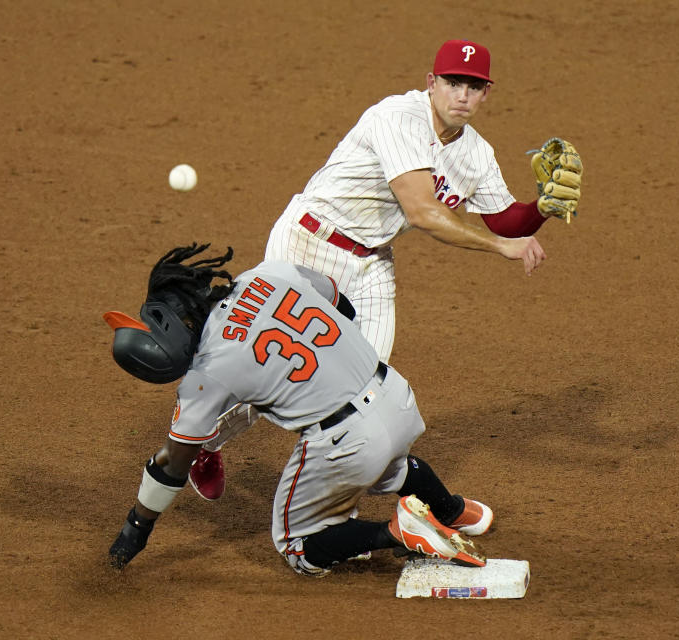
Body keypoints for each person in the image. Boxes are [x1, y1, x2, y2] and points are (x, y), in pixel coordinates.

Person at [188, 38, 583, 499]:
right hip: (308, 243)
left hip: (372, 262)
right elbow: (423, 213)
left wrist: (543, 208)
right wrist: (502, 247)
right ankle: (203, 441)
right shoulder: (397, 117)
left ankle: (325, 498)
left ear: (487, 93)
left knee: (364, 388)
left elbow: (506, 219)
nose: (462, 96)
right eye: (454, 83)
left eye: (474, 87)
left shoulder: (476, 153)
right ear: (431, 83)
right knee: (274, 363)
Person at [105, 243, 493, 575]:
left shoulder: (207, 376)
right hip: (397, 395)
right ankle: (452, 510)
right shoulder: (268, 272)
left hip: (350, 441)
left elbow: (174, 464)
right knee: (387, 466)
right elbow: (344, 307)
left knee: (299, 549)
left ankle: (398, 531)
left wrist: (136, 527)